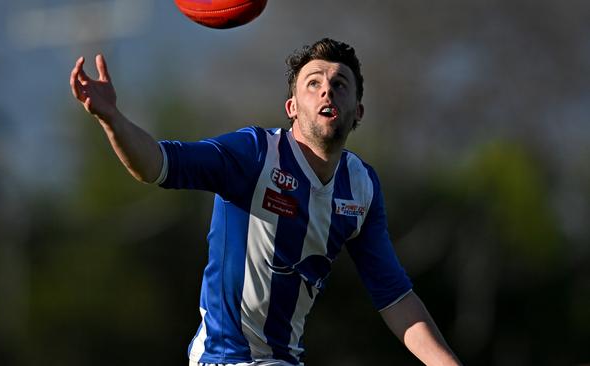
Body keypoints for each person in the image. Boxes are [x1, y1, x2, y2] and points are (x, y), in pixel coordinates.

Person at [70, 38, 461, 366]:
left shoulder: (361, 188)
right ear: (292, 108)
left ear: (357, 111)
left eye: (341, 84)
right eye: (313, 83)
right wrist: (112, 120)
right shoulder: (254, 155)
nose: (327, 89)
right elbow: (158, 164)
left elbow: (394, 297)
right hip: (224, 360)